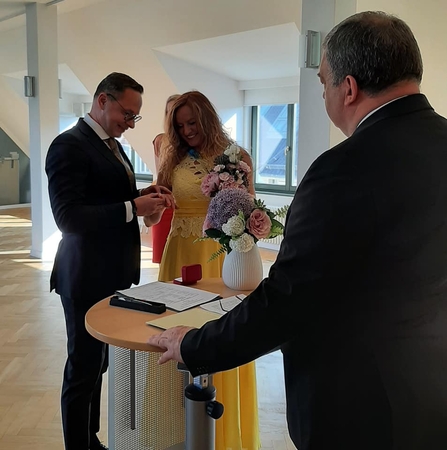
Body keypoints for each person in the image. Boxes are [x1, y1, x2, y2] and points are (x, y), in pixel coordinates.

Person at [148, 11, 447, 450]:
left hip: (361, 409)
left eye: (323, 82)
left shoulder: (341, 170)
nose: (323, 93)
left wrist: (196, 345)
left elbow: (288, 300)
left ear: (349, 88)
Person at [45, 72, 175, 450]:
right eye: (127, 114)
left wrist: (145, 194)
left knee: (98, 364)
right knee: (83, 368)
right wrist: (133, 207)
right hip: (84, 274)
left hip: (109, 273)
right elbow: (68, 218)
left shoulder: (111, 144)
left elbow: (107, 197)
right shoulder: (68, 145)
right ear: (103, 100)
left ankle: (91, 439)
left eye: (135, 116)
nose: (130, 123)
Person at [153, 90, 260, 450]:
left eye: (192, 123)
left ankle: (222, 433)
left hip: (220, 254)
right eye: (180, 126)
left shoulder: (237, 156)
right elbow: (155, 212)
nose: (186, 131)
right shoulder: (171, 156)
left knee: (221, 331)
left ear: (208, 119)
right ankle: (177, 433)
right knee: (175, 330)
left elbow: (251, 209)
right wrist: (148, 203)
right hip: (180, 253)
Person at [150, 94, 180, 263]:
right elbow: (161, 174)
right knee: (165, 257)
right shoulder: (161, 140)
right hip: (167, 198)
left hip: (187, 203)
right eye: (169, 112)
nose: (173, 116)